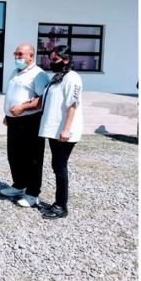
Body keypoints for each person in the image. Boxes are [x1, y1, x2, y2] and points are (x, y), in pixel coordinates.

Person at [0, 43, 51, 207]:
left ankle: (33, 193)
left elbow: (45, 98)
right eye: (15, 53)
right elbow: (12, 94)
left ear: (31, 56)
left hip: (30, 121)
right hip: (14, 120)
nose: (17, 57)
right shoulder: (15, 72)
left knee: (32, 158)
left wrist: (23, 107)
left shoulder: (39, 75)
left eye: (20, 54)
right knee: (14, 155)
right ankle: (19, 185)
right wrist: (7, 114)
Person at [38, 45, 83, 219]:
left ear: (66, 60)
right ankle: (58, 202)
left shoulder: (73, 78)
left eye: (55, 59)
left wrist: (66, 129)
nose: (51, 62)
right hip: (54, 130)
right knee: (56, 165)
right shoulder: (57, 77)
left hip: (64, 132)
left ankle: (61, 206)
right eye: (50, 59)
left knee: (60, 166)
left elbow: (73, 104)